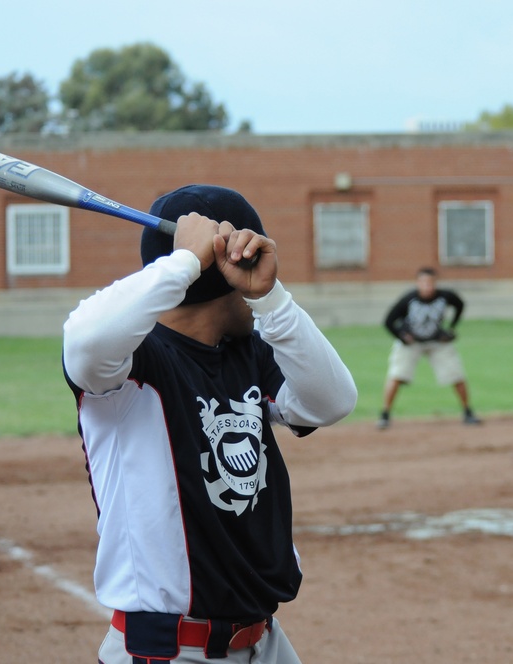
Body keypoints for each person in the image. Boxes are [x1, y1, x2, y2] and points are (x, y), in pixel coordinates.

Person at [62, 184, 357, 664]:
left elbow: (332, 401)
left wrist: (273, 300)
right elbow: (84, 337)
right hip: (171, 650)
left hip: (264, 641)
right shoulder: (132, 364)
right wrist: (184, 264)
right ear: (224, 269)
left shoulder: (249, 352)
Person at [378, 266, 480, 429]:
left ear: (435, 283)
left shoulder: (445, 297)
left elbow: (460, 305)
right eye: (424, 282)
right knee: (396, 374)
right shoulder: (409, 299)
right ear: (418, 283)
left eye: (430, 282)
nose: (427, 286)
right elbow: (388, 321)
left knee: (456, 374)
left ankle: (468, 412)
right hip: (412, 343)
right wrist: (402, 336)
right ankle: (384, 415)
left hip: (437, 341)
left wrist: (452, 328)